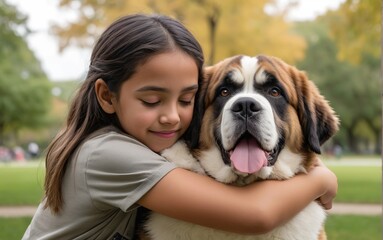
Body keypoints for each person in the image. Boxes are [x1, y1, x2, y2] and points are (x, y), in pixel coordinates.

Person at [22, 14, 337, 239]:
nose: (172, 116)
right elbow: (257, 215)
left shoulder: (147, 148)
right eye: (224, 93)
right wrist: (320, 179)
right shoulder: (108, 154)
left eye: (186, 100)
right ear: (107, 96)